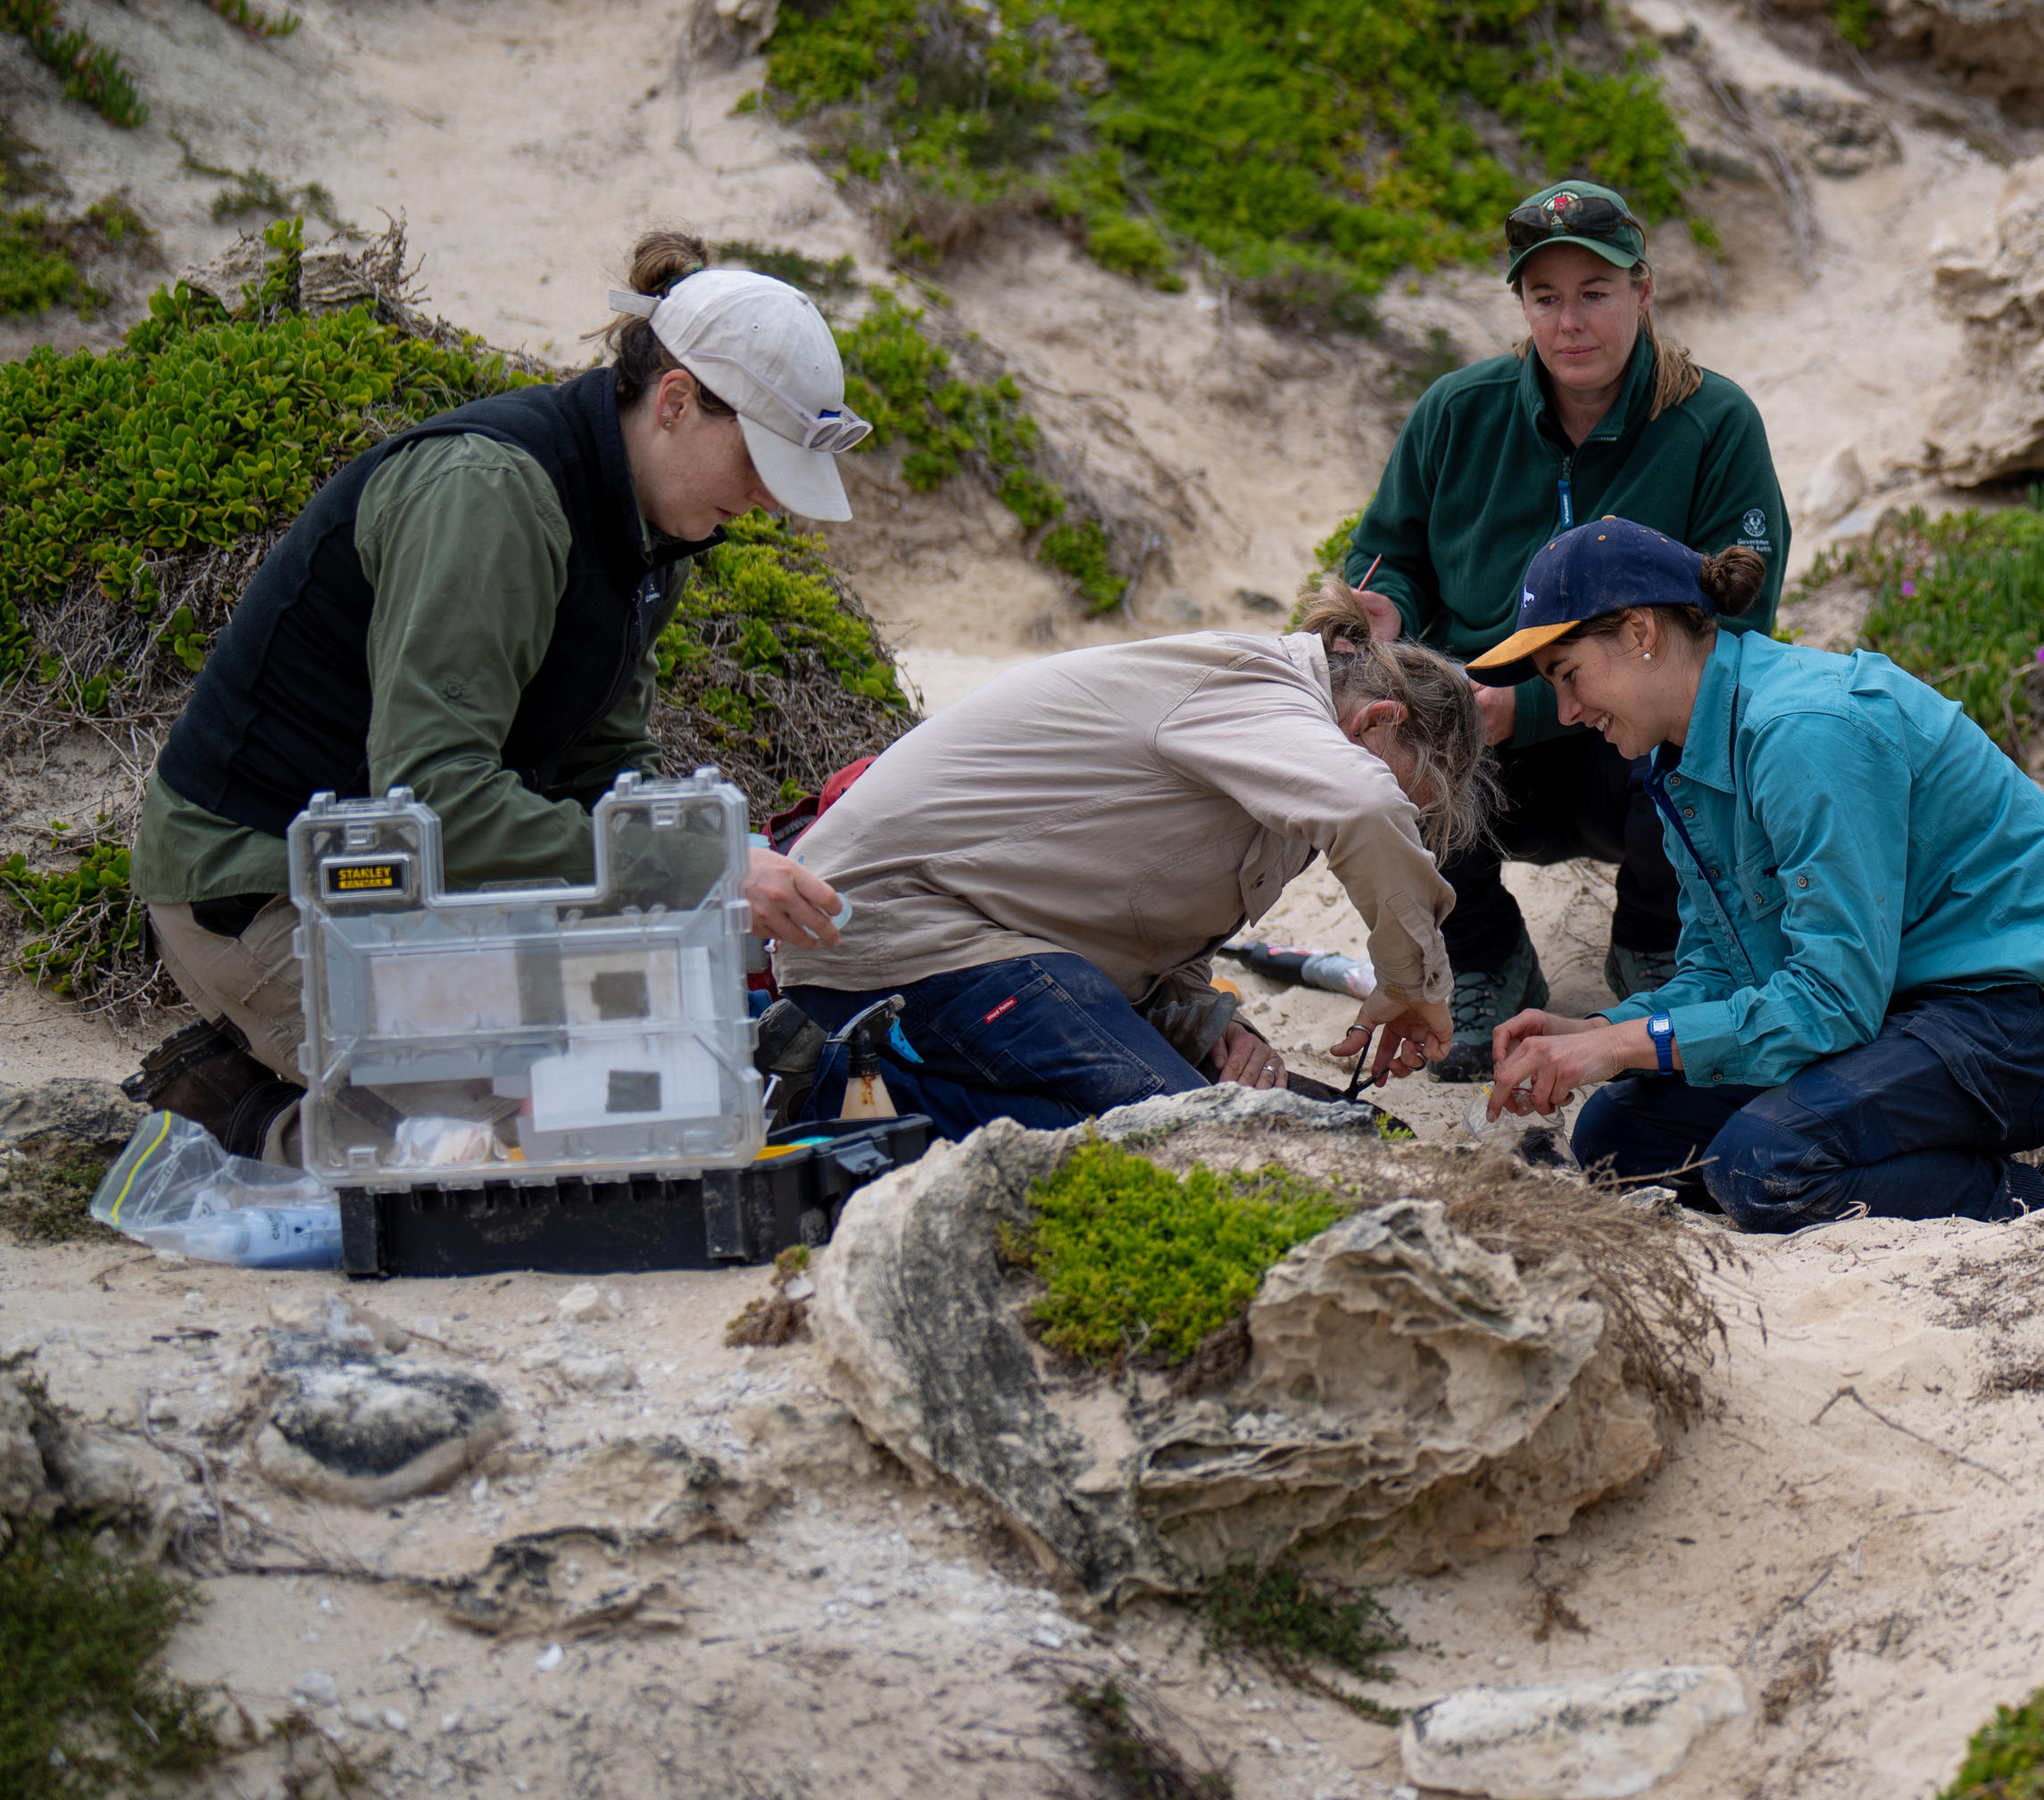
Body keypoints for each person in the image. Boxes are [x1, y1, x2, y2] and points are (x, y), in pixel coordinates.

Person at [125, 231, 860, 1156]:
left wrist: (700, 850)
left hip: (411, 886)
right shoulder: (491, 493)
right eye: (758, 462)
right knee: (543, 1125)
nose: (768, 500)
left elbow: (604, 766)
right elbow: (435, 797)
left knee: (653, 1070)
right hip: (263, 888)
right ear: (676, 401)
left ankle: (303, 1065)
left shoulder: (655, 528)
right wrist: (694, 871)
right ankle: (244, 1112)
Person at [1470, 519, 2044, 1229]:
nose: (1568, 712)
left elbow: (1833, 999)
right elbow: (1725, 971)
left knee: (1763, 1163)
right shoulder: (1682, 759)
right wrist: (1594, 1029)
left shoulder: (1800, 727)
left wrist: (1621, 1045)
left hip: (2036, 1015)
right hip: (1902, 1010)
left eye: (1568, 675)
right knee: (1620, 1136)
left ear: (1641, 631)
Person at [1337, 178, 1789, 1066]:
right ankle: (1485, 960)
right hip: (1475, 742)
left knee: (1726, 711)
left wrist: (1536, 706)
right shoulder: (1455, 412)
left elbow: (1741, 626)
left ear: (1643, 292)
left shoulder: (1714, 422)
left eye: (1595, 294)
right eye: (1545, 298)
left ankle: (1656, 946)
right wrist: (1388, 616)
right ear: (1521, 304)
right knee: (1377, 736)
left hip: (1630, 745)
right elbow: (1392, 561)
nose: (1569, 323)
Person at [769, 579, 1479, 1135]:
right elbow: (1365, 805)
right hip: (895, 933)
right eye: (1403, 791)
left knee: (1257, 1122)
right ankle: (830, 1082)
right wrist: (1415, 983)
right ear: (1378, 720)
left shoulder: (1283, 767)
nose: (1398, 815)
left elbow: (1149, 933)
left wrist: (1217, 1025)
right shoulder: (1258, 688)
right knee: (1174, 1134)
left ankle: (868, 1080)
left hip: (1001, 949)